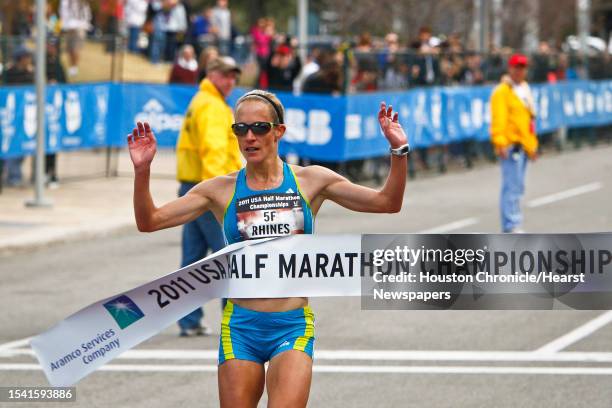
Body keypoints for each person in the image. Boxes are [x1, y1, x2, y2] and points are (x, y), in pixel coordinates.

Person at [127, 89, 408, 406]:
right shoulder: (219, 189)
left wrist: (399, 151)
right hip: (241, 327)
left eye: (259, 128)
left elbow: (387, 202)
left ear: (279, 132)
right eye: (240, 129)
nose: (250, 137)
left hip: (292, 324)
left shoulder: (311, 181)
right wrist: (142, 171)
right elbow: (149, 221)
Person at [173, 56, 242, 336]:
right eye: (225, 75)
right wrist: (220, 193)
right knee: (229, 256)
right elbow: (213, 152)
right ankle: (235, 320)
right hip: (209, 190)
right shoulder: (212, 106)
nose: (230, 81)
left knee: (193, 259)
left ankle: (189, 320)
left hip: (193, 186)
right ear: (211, 74)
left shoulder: (203, 101)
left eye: (233, 76)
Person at [490, 53, 538, 233]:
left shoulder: (524, 89)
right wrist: (500, 142)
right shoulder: (502, 91)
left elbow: (529, 121)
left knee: (518, 186)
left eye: (523, 67)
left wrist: (532, 145)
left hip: (523, 145)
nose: (520, 71)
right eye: (517, 67)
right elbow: (498, 119)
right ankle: (511, 225)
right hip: (511, 145)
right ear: (510, 68)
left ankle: (513, 222)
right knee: (511, 186)